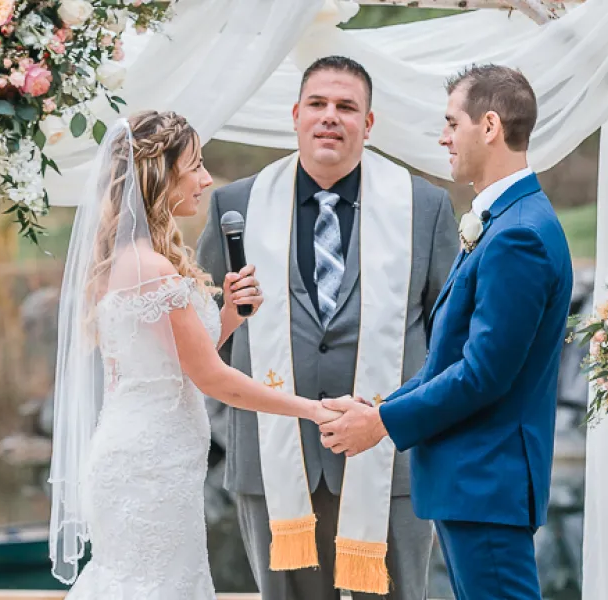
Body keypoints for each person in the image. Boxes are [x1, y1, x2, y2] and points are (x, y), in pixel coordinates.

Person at [47, 110, 340, 598]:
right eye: (196, 166)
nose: (206, 179)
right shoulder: (154, 270)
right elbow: (213, 380)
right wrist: (311, 409)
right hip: (151, 464)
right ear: (161, 173)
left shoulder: (128, 260)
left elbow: (169, 362)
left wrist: (228, 316)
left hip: (145, 454)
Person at [196, 55, 459, 599]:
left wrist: (409, 421)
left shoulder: (424, 207)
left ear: (369, 124)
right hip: (270, 459)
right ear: (294, 114)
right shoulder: (235, 205)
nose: (329, 117)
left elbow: (448, 338)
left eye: (346, 107)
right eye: (317, 104)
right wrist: (233, 421)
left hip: (391, 461)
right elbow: (203, 337)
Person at [319, 64, 574, 600]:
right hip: (472, 483)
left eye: (450, 122)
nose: (442, 137)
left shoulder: (518, 236)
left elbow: (483, 374)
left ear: (489, 126)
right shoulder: (506, 221)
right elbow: (447, 359)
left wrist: (382, 423)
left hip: (486, 479)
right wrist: (377, 407)